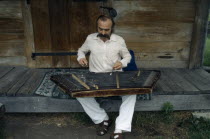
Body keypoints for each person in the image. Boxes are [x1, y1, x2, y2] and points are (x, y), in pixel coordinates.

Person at [77, 15, 136, 139]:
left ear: (112, 28)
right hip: (95, 76)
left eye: (106, 30)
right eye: (100, 29)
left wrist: (122, 63)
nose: (103, 32)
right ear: (97, 27)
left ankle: (119, 128)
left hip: (115, 76)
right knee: (79, 93)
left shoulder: (119, 40)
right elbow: (81, 50)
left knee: (131, 93)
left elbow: (127, 56)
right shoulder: (90, 38)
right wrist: (81, 57)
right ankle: (103, 119)